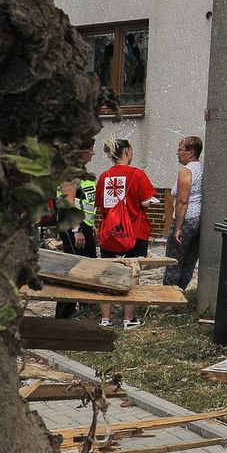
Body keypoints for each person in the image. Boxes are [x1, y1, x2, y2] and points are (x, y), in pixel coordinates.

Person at [95, 138, 159, 329]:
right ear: (128, 151)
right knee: (133, 272)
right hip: (135, 232)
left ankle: (105, 319)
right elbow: (146, 201)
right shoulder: (137, 174)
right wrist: (149, 202)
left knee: (107, 272)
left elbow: (100, 205)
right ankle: (128, 319)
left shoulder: (104, 177)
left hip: (110, 232)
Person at [53, 144, 99, 321]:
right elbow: (70, 203)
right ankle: (65, 312)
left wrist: (90, 224)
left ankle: (86, 305)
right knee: (74, 269)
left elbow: (85, 201)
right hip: (72, 226)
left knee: (88, 267)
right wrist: (76, 229)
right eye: (90, 150)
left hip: (83, 226)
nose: (93, 153)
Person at [163, 135, 204, 292]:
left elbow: (182, 201)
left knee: (174, 259)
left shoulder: (186, 171)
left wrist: (178, 227)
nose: (177, 153)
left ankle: (168, 297)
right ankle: (180, 293)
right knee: (189, 260)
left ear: (190, 153)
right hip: (198, 219)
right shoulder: (202, 168)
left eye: (180, 150)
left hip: (186, 220)